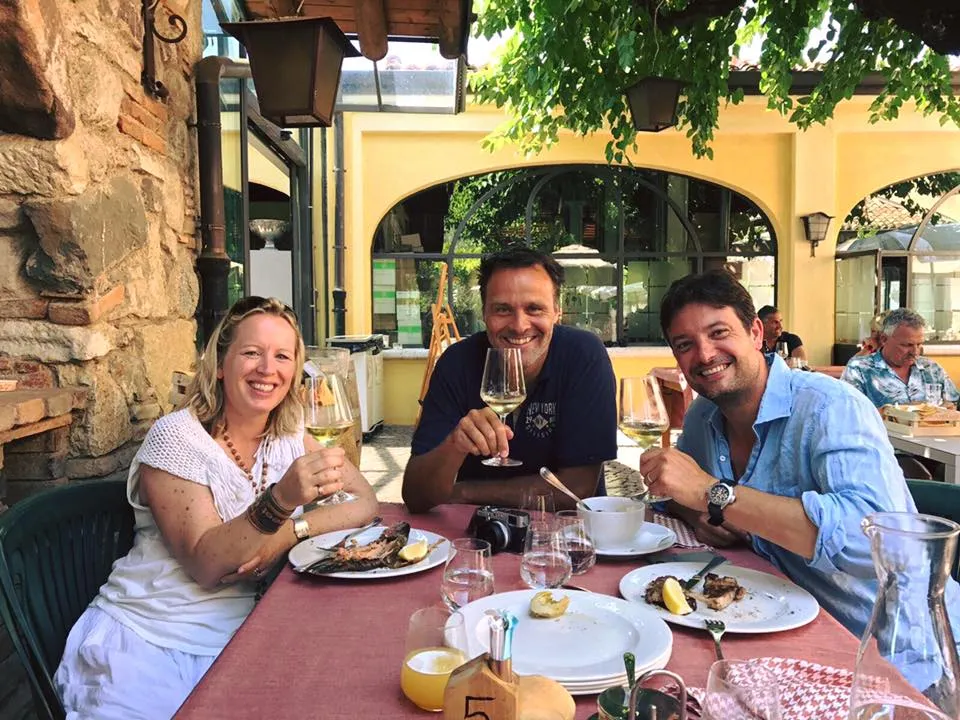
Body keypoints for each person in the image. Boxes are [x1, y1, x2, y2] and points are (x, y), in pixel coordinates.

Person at [55, 297, 378, 719]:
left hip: (247, 636)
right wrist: (281, 501)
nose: (267, 368)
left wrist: (287, 534)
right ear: (221, 364)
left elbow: (365, 502)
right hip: (152, 641)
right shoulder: (176, 438)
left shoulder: (288, 436)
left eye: (282, 356)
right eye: (251, 352)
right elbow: (207, 564)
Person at [638, 270, 960, 690]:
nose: (704, 354)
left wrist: (713, 494)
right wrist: (703, 510)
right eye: (685, 345)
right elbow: (680, 492)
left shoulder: (831, 407)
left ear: (756, 332)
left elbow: (877, 543)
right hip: (775, 628)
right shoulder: (704, 415)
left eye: (719, 332)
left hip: (888, 655)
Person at [402, 246, 617, 513]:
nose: (519, 325)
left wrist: (463, 492)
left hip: (565, 539)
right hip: (476, 537)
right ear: (484, 313)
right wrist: (454, 447)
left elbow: (576, 488)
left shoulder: (584, 356)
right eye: (502, 309)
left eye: (534, 308)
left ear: (557, 312)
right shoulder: (455, 364)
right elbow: (415, 494)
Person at [841, 307, 959, 408]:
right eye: (907, 345)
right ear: (884, 339)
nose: (915, 352)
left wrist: (948, 409)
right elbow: (849, 412)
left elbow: (953, 403)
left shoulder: (932, 369)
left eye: (919, 344)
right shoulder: (860, 369)